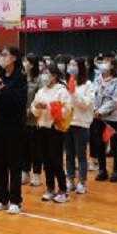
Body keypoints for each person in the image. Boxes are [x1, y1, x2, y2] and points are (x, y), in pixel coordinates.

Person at [0, 46, 27, 214]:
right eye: (0, 54)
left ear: (14, 58)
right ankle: (1, 198)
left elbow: (15, 100)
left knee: (14, 165)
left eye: (5, 55)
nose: (1, 57)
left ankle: (15, 200)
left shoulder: (20, 78)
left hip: (14, 127)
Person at [31, 64, 72, 204]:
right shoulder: (40, 91)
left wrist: (47, 106)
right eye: (43, 73)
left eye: (47, 73)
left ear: (54, 76)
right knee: (46, 161)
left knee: (56, 161)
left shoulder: (62, 91)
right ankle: (50, 188)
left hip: (55, 128)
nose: (44, 76)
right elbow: (34, 109)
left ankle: (63, 190)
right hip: (42, 127)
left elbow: (66, 110)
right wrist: (37, 108)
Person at [65, 58, 94, 195]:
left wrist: (74, 93)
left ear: (80, 67)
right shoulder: (66, 83)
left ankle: (82, 182)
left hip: (81, 124)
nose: (71, 67)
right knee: (69, 155)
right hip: (67, 123)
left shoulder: (87, 84)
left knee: (81, 155)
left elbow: (87, 104)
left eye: (74, 65)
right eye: (70, 64)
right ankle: (70, 180)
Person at [93, 56, 117, 183]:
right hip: (97, 117)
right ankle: (102, 170)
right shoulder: (97, 80)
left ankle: (116, 171)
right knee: (100, 144)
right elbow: (92, 96)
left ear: (112, 66)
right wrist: (95, 109)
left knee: (115, 145)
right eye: (103, 62)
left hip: (112, 118)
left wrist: (102, 111)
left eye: (107, 62)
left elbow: (116, 101)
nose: (103, 64)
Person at [22, 55, 42, 186]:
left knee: (35, 149)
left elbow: (40, 99)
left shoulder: (39, 80)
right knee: (23, 148)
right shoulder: (21, 78)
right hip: (20, 119)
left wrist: (28, 112)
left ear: (32, 65)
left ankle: (37, 174)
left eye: (26, 62)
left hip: (34, 120)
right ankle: (25, 172)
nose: (24, 63)